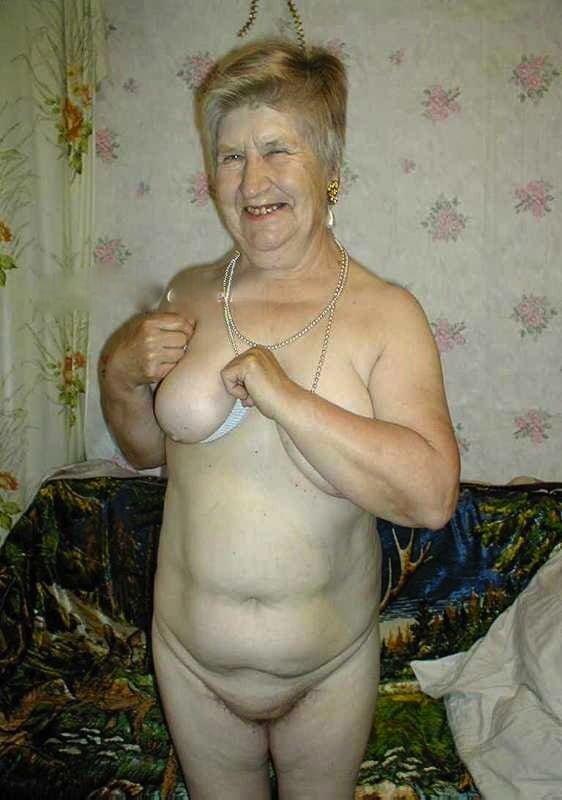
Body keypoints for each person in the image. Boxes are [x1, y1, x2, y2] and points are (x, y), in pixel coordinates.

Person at [99, 38, 460, 800]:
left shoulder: (388, 314)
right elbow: (143, 450)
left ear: (330, 169)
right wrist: (119, 377)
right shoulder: (187, 292)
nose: (251, 180)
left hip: (327, 672)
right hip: (190, 663)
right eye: (230, 157)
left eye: (276, 150)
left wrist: (287, 397)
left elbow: (431, 496)